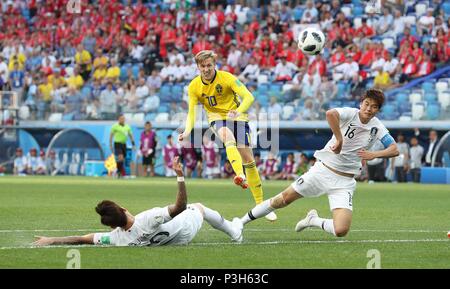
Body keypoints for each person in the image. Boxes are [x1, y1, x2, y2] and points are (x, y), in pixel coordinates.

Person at [235, 89, 399, 238]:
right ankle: (239, 223)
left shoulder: (377, 127)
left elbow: (394, 149)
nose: (369, 109)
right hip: (322, 172)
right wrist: (339, 139)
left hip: (345, 182)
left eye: (374, 106)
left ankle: (313, 220)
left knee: (341, 230)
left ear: (378, 110)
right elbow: (330, 114)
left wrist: (373, 154)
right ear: (361, 103)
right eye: (367, 104)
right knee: (282, 199)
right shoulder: (350, 113)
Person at [33, 157, 243, 247]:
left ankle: (234, 229)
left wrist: (51, 240)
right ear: (123, 208)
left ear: (113, 226)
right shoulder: (148, 218)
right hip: (184, 229)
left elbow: (83, 239)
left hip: (174, 243)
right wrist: (180, 176)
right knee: (199, 207)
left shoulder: (116, 239)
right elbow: (179, 207)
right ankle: (235, 232)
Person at [178, 50, 277, 221]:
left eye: (209, 65)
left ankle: (261, 205)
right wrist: (187, 131)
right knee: (226, 135)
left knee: (249, 159)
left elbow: (249, 97)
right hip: (216, 118)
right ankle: (240, 174)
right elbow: (192, 113)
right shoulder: (194, 86)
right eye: (203, 66)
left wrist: (237, 111)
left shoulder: (227, 77)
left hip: (237, 116)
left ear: (214, 64)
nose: (206, 69)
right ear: (198, 67)